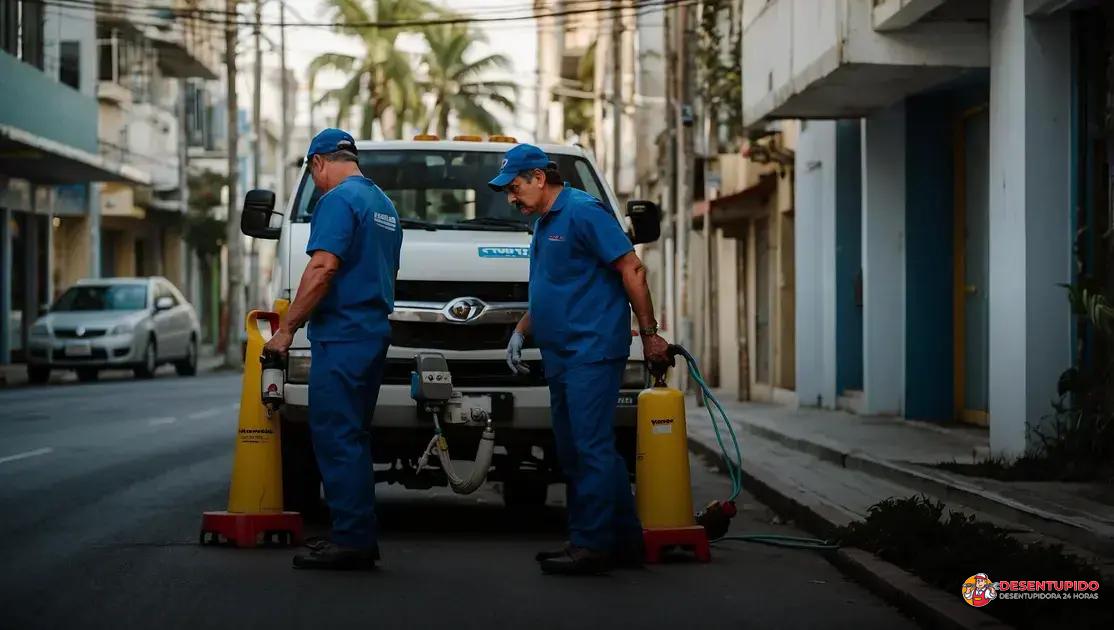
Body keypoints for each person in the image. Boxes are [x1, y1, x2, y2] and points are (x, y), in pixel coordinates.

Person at [492, 144, 670, 575]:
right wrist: (520, 331)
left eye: (515, 188)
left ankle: (590, 544)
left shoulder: (583, 212)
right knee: (580, 450)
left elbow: (632, 269)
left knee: (588, 448)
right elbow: (554, 287)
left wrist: (649, 336)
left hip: (591, 350)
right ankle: (624, 542)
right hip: (561, 353)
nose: (511, 198)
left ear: (538, 178)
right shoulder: (544, 223)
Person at [263, 128, 403, 571]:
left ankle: (353, 541)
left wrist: (287, 330)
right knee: (354, 437)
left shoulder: (338, 200)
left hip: (343, 335)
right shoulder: (383, 204)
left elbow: (322, 268)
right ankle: (354, 534)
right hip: (371, 331)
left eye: (312, 171)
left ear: (318, 163)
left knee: (336, 436)